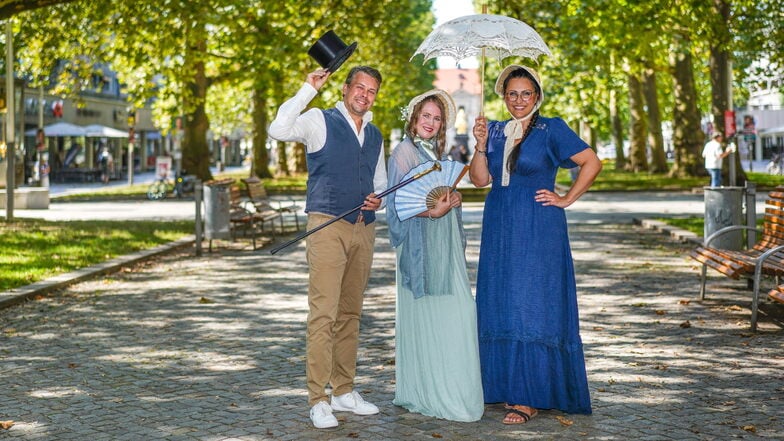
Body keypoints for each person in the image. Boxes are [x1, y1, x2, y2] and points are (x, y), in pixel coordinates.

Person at [470, 65, 601, 424]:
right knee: (501, 301)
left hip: (538, 227)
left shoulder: (552, 128)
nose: (518, 100)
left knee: (532, 303)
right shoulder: (494, 130)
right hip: (499, 225)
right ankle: (498, 385)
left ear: (537, 96)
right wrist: (480, 146)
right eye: (512, 93)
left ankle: (528, 395)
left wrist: (567, 198)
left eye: (526, 93)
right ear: (503, 96)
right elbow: (480, 180)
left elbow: (591, 163)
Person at [268, 65, 386, 429]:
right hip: (327, 226)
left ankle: (344, 391)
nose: (364, 95)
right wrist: (308, 89)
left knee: (351, 314)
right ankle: (318, 399)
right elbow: (278, 129)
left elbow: (379, 181)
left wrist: (377, 199)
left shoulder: (376, 134)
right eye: (360, 88)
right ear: (347, 88)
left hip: (364, 228)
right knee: (324, 314)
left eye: (371, 91)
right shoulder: (319, 119)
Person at [386, 89, 484, 422]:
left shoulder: (438, 154)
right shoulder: (403, 153)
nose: (431, 122)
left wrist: (453, 201)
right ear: (413, 118)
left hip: (445, 248)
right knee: (435, 315)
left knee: (459, 312)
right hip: (421, 250)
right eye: (425, 116)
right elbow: (397, 209)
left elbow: (442, 193)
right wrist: (432, 213)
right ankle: (427, 392)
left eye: (437, 118)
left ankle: (451, 386)